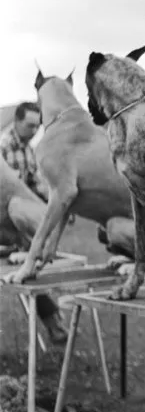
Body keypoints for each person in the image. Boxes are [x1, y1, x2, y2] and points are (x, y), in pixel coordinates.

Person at [0, 102, 69, 345]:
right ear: (16, 122)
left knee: (18, 209)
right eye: (30, 125)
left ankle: (53, 320)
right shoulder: (4, 145)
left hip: (19, 219)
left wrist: (61, 204)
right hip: (9, 222)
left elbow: (36, 185)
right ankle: (54, 319)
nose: (33, 130)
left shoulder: (28, 150)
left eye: (36, 126)